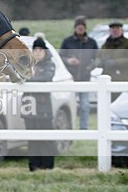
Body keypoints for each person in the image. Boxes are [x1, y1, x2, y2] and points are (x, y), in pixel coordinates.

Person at [59, 15, 98, 129]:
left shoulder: (92, 43)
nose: (80, 29)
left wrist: (89, 67)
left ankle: (84, 128)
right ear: (75, 28)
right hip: (71, 78)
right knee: (71, 105)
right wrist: (69, 61)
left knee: (85, 105)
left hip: (85, 78)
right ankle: (70, 127)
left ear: (85, 28)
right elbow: (60, 57)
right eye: (78, 27)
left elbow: (97, 59)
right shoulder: (67, 42)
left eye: (82, 27)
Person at [23, 38, 56, 171]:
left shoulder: (50, 64)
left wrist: (28, 79)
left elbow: (46, 78)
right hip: (28, 107)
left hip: (43, 108)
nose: (37, 52)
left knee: (46, 137)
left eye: (40, 50)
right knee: (31, 138)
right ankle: (34, 165)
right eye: (35, 50)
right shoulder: (27, 64)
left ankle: (47, 165)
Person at [95, 20, 128, 101]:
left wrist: (115, 63)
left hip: (122, 79)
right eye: (112, 29)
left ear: (121, 30)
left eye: (117, 29)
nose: (115, 30)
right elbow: (98, 57)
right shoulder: (106, 44)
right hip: (107, 79)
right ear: (109, 31)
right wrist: (100, 62)